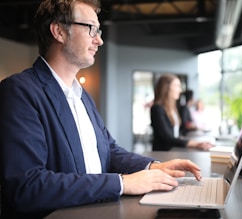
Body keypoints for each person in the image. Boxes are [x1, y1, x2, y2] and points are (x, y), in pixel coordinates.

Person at [0, 1, 203, 218]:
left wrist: (153, 167)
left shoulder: (82, 96)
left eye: (99, 31)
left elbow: (109, 150)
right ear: (58, 31)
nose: (100, 40)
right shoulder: (19, 92)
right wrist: (122, 183)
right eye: (91, 29)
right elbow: (27, 186)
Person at [150, 74, 214, 151]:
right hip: (163, 153)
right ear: (166, 88)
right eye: (177, 86)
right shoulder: (157, 108)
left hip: (173, 151)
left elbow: (176, 134)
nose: (180, 90)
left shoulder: (173, 108)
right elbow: (167, 138)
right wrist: (195, 143)